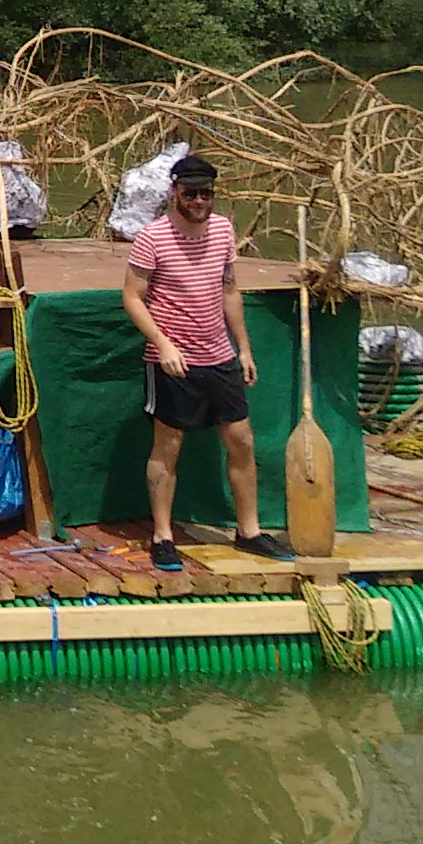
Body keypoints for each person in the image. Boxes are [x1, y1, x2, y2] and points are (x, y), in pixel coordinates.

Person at [120, 152, 294, 574]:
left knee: (242, 441)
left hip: (218, 356)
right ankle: (163, 536)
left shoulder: (222, 230)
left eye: (206, 194)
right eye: (191, 193)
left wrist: (244, 348)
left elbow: (229, 290)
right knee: (169, 446)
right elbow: (131, 297)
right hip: (173, 361)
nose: (199, 201)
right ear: (175, 193)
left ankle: (249, 531)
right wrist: (162, 344)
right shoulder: (153, 238)